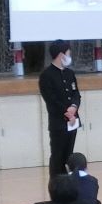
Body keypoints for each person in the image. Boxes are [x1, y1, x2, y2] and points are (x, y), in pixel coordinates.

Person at [39, 39, 82, 178]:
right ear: (61, 55)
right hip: (59, 123)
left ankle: (69, 184)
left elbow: (76, 94)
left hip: (73, 121)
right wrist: (67, 113)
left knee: (69, 155)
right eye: (68, 53)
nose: (69, 57)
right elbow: (51, 100)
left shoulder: (70, 73)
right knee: (58, 156)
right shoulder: (46, 75)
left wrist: (74, 107)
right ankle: (56, 185)